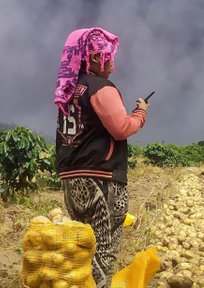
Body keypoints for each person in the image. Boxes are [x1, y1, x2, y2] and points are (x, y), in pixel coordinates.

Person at [54, 27, 149, 288]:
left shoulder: (68, 91)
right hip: (102, 176)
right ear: (96, 57)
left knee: (82, 244)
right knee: (104, 247)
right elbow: (120, 129)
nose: (112, 66)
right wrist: (140, 113)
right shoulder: (101, 88)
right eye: (109, 57)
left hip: (71, 177)